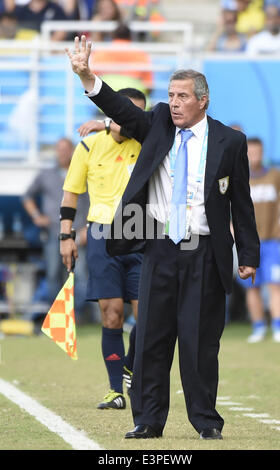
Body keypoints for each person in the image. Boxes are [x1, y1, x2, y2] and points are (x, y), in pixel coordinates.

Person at [66, 35, 260, 440]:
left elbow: (241, 203)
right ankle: (147, 421)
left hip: (205, 252)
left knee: (199, 342)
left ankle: (206, 421)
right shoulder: (154, 122)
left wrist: (248, 254)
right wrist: (88, 76)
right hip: (157, 247)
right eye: (170, 94)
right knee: (152, 338)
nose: (173, 102)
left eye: (182, 96)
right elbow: (119, 108)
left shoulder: (230, 141)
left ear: (202, 101)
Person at [59, 88, 146, 410]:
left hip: (142, 234)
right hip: (101, 235)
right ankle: (115, 391)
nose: (130, 119)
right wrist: (65, 237)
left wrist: (104, 122)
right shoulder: (88, 146)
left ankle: (130, 369)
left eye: (135, 114)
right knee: (110, 315)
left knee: (146, 317)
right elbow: (71, 195)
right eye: (124, 112)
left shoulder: (151, 142)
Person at [22, 137, 90, 323]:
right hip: (54, 233)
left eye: (66, 149)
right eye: (59, 149)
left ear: (72, 151)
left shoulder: (83, 171)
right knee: (53, 274)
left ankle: (77, 316)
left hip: (78, 233)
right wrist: (37, 216)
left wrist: (87, 229)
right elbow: (27, 196)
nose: (63, 153)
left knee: (81, 275)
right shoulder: (46, 174)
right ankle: (57, 319)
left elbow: (94, 201)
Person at [237, 137, 280, 343]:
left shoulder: (277, 176)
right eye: (250, 153)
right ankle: (258, 327)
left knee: (274, 284)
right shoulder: (239, 177)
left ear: (263, 152)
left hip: (272, 242)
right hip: (248, 244)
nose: (254, 156)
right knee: (252, 287)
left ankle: (278, 327)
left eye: (257, 152)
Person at [89, 23, 153, 97]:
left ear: (113, 36)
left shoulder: (99, 53)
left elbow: (90, 82)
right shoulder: (142, 55)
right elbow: (149, 86)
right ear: (130, 36)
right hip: (135, 102)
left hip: (105, 101)